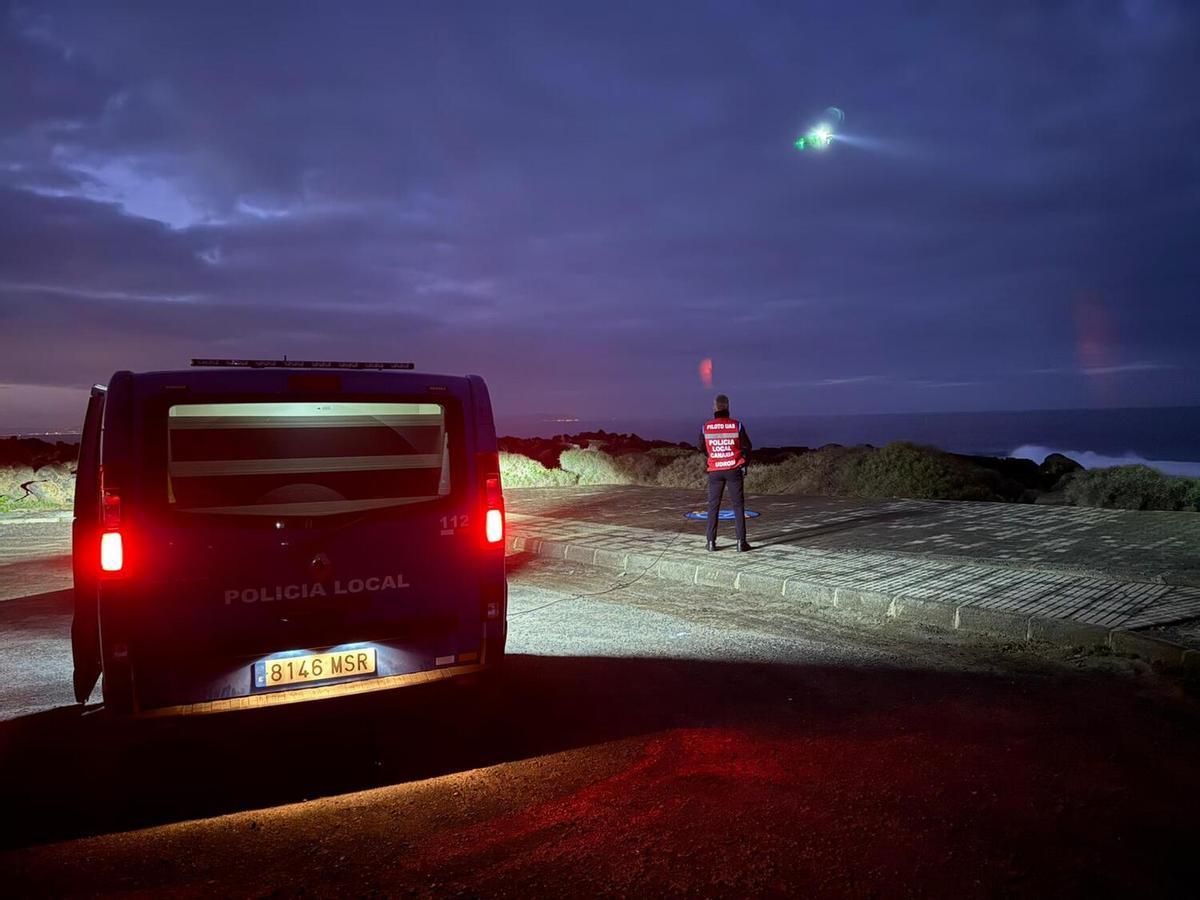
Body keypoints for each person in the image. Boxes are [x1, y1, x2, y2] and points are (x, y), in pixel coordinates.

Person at [698, 394, 752, 551]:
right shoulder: (737, 425)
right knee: (738, 505)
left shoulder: (705, 427)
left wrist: (713, 456)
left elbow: (701, 447)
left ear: (714, 407)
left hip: (715, 470)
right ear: (728, 407)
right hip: (734, 469)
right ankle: (741, 542)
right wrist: (744, 463)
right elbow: (748, 446)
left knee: (713, 505)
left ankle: (710, 542)